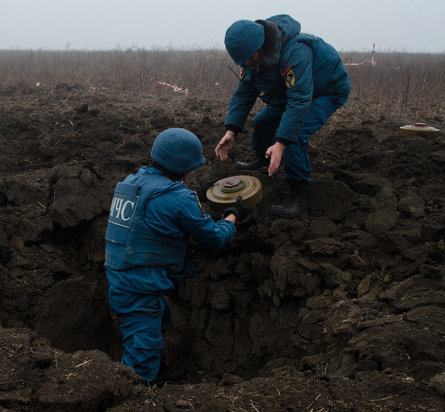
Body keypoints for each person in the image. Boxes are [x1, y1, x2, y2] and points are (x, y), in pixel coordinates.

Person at [104, 128, 252, 384]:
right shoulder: (176, 197)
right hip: (139, 284)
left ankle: (155, 375)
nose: (193, 172)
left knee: (159, 317)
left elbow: (161, 206)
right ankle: (132, 390)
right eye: (192, 167)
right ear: (183, 165)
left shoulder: (133, 181)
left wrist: (194, 193)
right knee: (143, 348)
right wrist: (233, 216)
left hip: (120, 274)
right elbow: (213, 238)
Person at [215, 14, 351, 218]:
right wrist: (231, 130)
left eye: (248, 59)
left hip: (326, 90)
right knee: (262, 121)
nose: (246, 65)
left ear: (259, 47)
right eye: (241, 62)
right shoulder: (252, 60)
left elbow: (299, 100)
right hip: (293, 92)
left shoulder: (295, 52)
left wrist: (281, 143)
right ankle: (262, 157)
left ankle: (298, 195)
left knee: (294, 136)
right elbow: (244, 93)